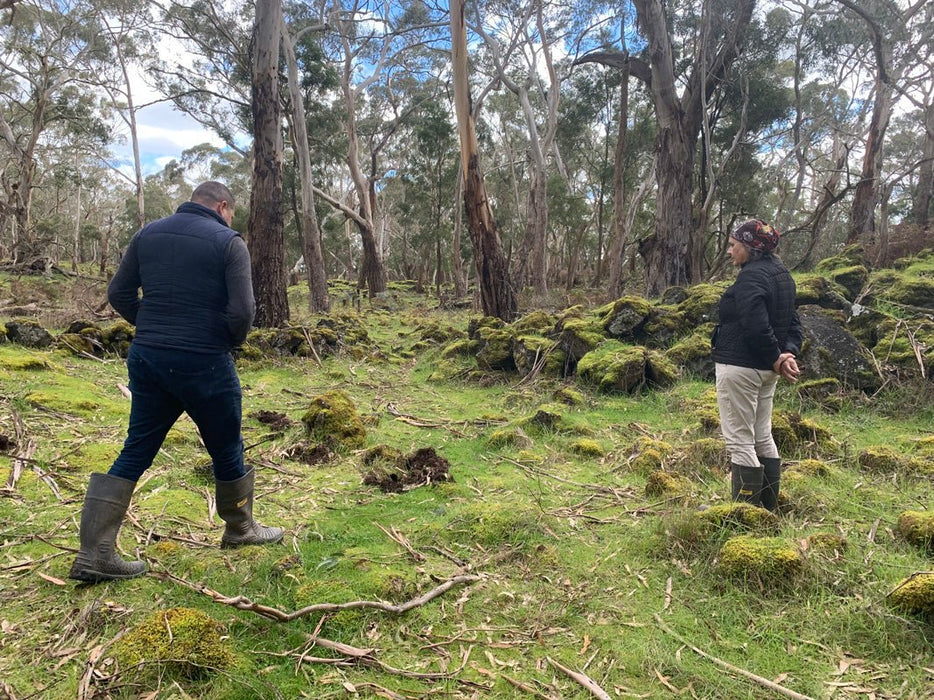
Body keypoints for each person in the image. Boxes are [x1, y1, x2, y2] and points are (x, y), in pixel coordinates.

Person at [69, 182, 283, 583]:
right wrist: (225, 341)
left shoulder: (147, 234)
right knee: (226, 446)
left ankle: (95, 552)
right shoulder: (229, 242)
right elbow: (243, 313)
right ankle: (240, 529)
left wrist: (150, 324)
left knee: (136, 448)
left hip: (149, 358)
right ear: (223, 206)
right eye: (231, 213)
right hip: (205, 361)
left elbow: (118, 292)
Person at [711, 219, 802, 511]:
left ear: (750, 248)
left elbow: (755, 325)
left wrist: (777, 357)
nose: (730, 251)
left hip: (741, 368)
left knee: (739, 441)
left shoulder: (751, 278)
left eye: (734, 245)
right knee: (762, 434)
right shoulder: (782, 275)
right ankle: (767, 509)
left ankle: (745, 516)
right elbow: (793, 322)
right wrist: (787, 354)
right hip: (765, 371)